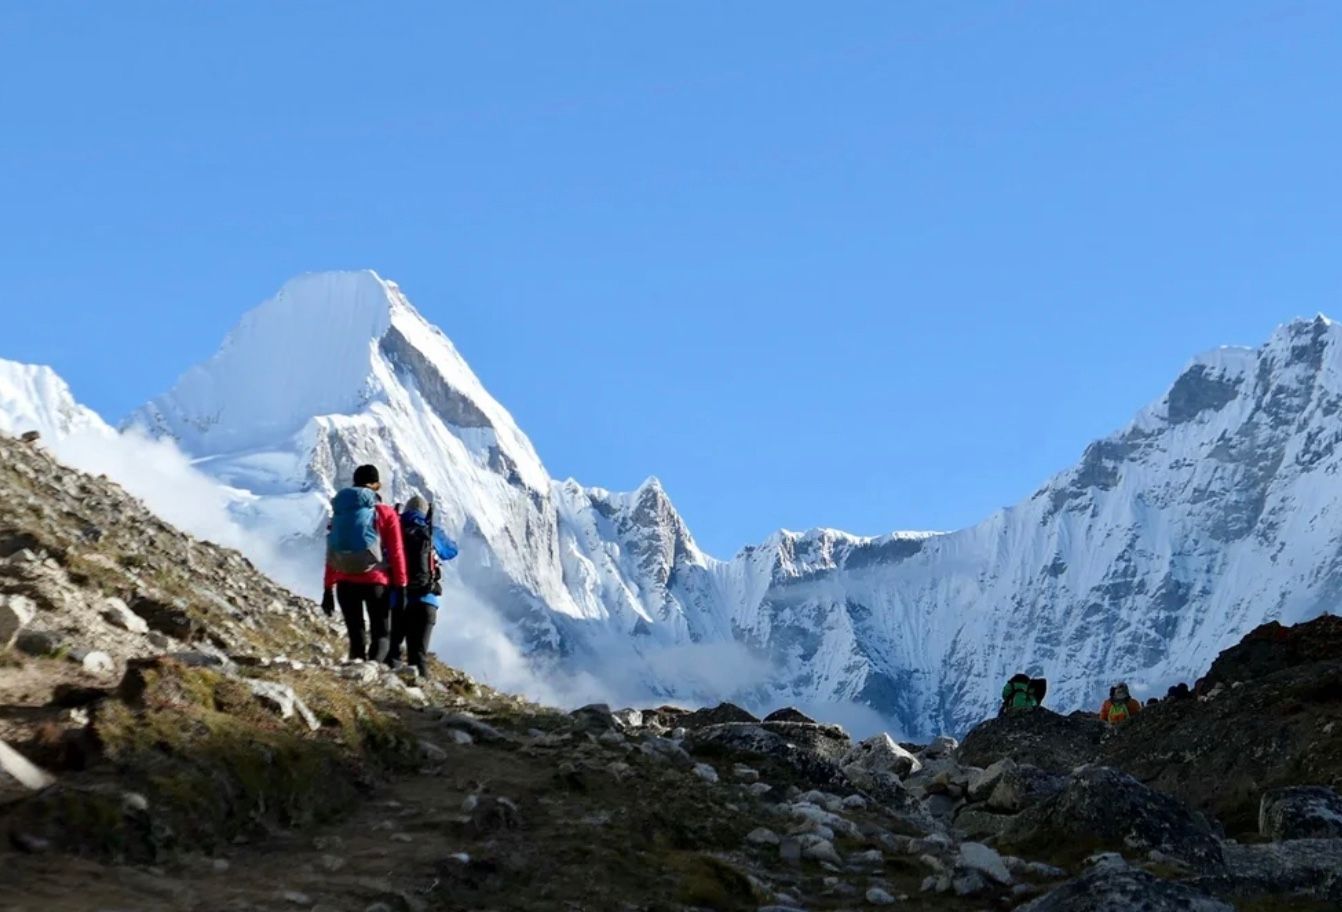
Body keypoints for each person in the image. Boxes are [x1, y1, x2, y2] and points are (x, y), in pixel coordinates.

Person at [321, 464, 407, 662]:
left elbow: (332, 549)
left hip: (344, 582)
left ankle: (355, 678)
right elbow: (396, 552)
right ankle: (373, 674)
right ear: (376, 485)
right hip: (376, 582)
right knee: (381, 635)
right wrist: (401, 585)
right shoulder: (385, 513)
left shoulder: (340, 513)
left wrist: (328, 588)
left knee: (356, 636)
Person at [387, 494, 456, 676]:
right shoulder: (431, 531)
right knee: (418, 656)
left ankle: (391, 689)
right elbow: (452, 550)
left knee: (391, 650)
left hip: (397, 600)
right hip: (426, 601)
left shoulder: (396, 527)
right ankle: (420, 698)